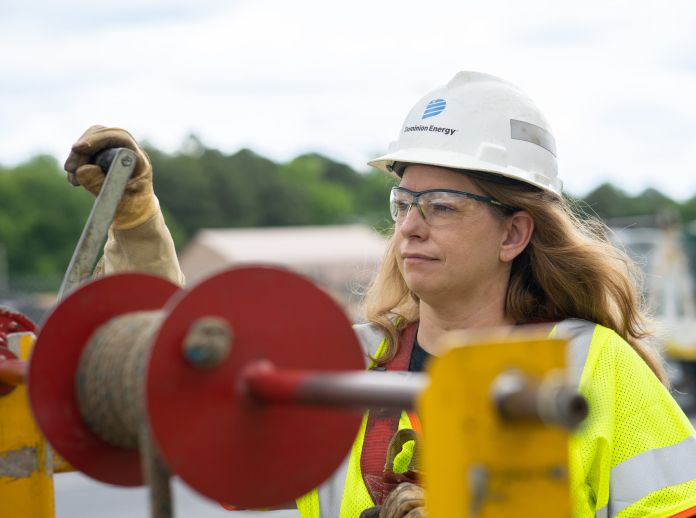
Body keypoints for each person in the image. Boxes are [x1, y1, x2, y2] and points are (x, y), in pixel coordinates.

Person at [64, 71, 696, 517]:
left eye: (442, 206)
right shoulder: (341, 365)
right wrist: (136, 226)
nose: (410, 226)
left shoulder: (594, 368)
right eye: (404, 203)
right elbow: (190, 394)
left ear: (515, 233)